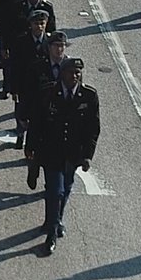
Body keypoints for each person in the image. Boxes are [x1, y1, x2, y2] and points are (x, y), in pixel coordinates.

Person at [27, 56, 99, 253]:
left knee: (66, 189)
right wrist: (30, 149)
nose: (74, 76)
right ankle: (52, 233)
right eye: (70, 72)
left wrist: (87, 155)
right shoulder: (48, 93)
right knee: (54, 191)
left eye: (77, 73)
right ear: (62, 74)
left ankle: (54, 219)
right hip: (51, 152)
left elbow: (93, 129)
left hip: (73, 155)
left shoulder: (89, 96)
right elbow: (36, 123)